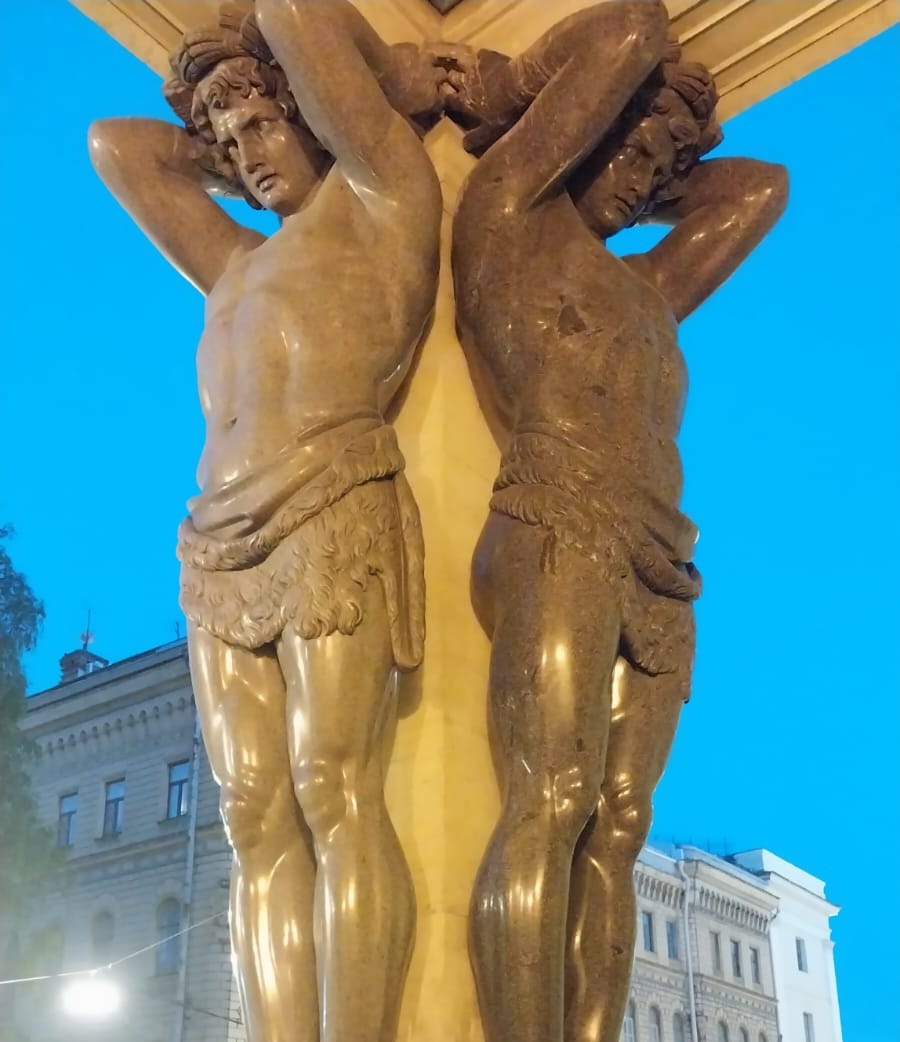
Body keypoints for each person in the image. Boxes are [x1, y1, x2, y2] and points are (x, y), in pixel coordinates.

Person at [88, 3, 444, 1040]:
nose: (246, 154)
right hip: (216, 543)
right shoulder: (234, 262)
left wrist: (381, 86)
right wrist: (226, 124)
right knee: (250, 813)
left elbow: (294, 13)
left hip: (332, 498)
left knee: (336, 786)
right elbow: (117, 148)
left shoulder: (384, 198)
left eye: (261, 128)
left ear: (316, 117)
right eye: (228, 141)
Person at [446, 4, 788, 1041]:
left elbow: (760, 189)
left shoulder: (649, 289)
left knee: (623, 824)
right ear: (580, 131)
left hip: (659, 553)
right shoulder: (507, 216)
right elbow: (632, 27)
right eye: (628, 150)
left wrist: (661, 147)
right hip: (555, 513)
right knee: (551, 795)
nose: (640, 179)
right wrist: (523, 102)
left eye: (659, 166)